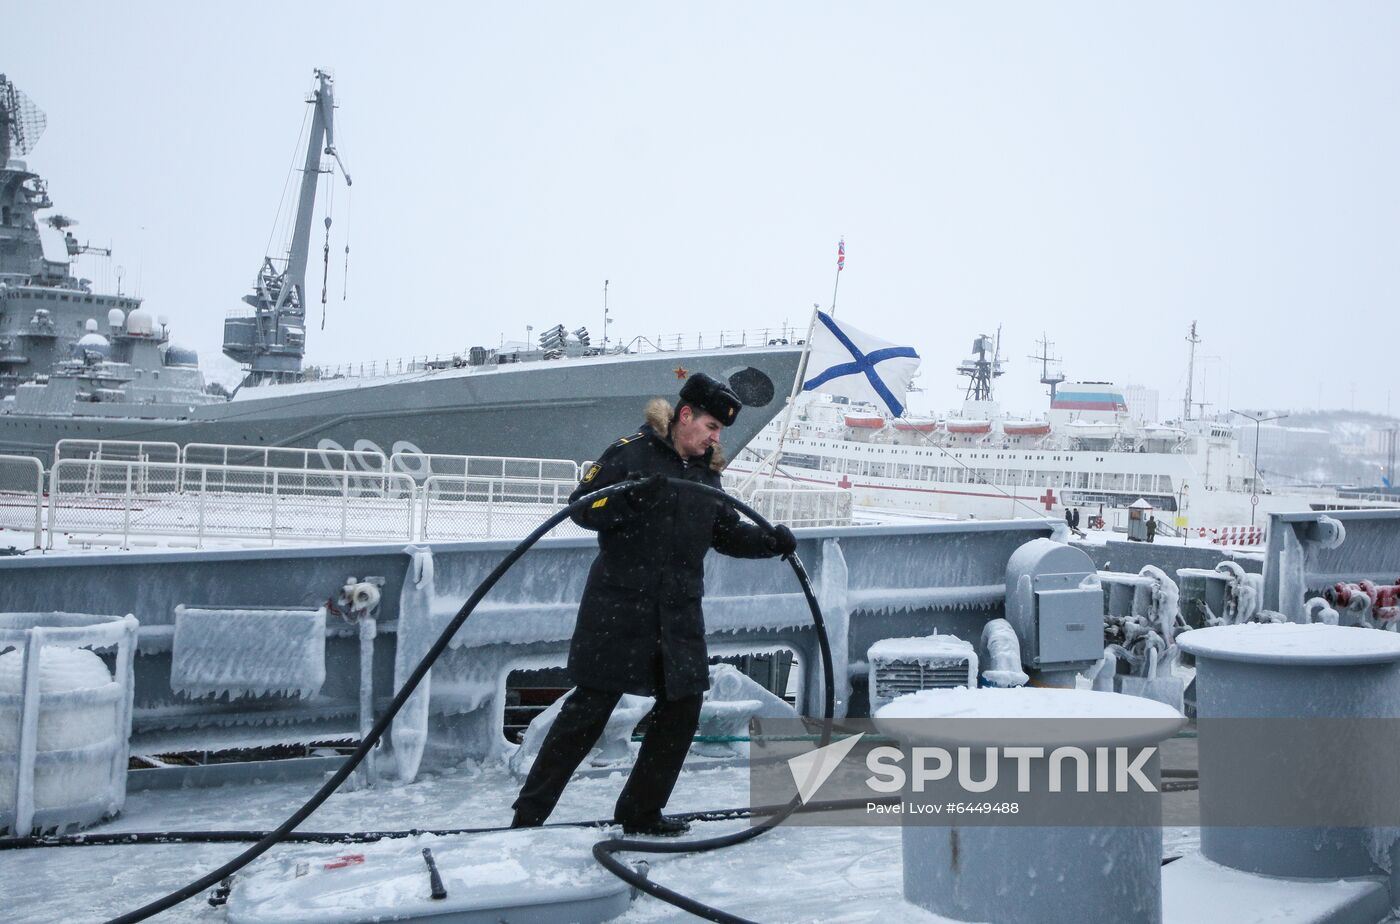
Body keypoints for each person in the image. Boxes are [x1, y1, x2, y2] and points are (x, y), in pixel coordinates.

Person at [511, 372, 797, 837]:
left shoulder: (707, 475)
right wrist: (633, 499)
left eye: (718, 432)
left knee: (681, 711)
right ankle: (529, 815)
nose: (714, 438)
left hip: (679, 615)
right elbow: (583, 508)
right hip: (619, 611)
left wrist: (768, 542)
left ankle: (641, 813)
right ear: (685, 416)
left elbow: (724, 532)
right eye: (710, 427)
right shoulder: (631, 453)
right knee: (587, 713)